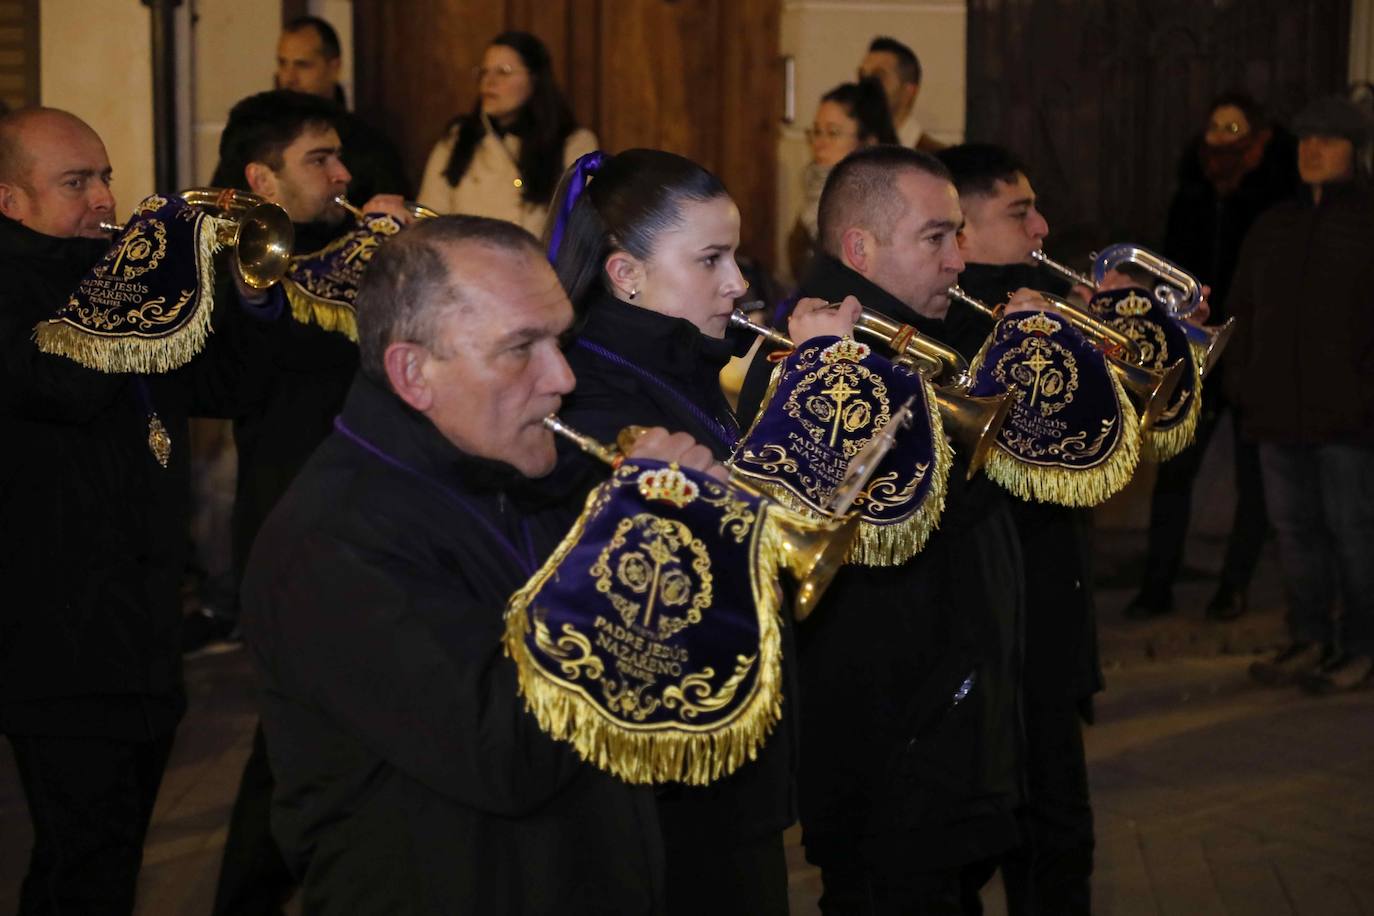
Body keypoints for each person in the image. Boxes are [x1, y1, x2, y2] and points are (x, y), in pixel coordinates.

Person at [241, 214, 714, 912]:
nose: (562, 377)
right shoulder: (328, 541)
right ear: (413, 373)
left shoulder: (518, 470)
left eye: (561, 340)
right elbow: (508, 754)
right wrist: (638, 537)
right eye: (522, 347)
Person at [545, 147, 858, 915]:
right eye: (711, 259)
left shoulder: (685, 363)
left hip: (729, 766)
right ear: (627, 276)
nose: (738, 283)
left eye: (736, 256)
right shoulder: (596, 393)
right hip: (670, 785)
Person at [0, 106, 276, 913]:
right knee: (80, 856)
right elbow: (65, 385)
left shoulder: (113, 276)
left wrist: (245, 294)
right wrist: (151, 268)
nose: (103, 198)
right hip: (56, 637)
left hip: (143, 623)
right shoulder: (17, 289)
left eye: (106, 177)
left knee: (116, 852)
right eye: (75, 182)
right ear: (10, 200)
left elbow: (229, 389)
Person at [736, 145, 1025, 914]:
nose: (959, 259)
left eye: (960, 234)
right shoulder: (812, 353)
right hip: (889, 738)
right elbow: (928, 513)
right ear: (860, 250)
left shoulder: (924, 334)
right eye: (937, 237)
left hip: (938, 725)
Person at [208, 88, 416, 916]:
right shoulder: (240, 257)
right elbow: (258, 359)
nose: (342, 173)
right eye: (318, 161)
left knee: (342, 731)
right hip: (293, 524)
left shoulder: (347, 243)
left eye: (339, 156)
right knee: (293, 742)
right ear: (263, 177)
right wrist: (378, 241)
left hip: (370, 515)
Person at [938, 141, 1101, 916]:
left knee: (1061, 839)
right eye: (1018, 211)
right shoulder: (954, 321)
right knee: (1006, 840)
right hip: (994, 625)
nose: (1042, 226)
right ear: (962, 233)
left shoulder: (1042, 299)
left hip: (1050, 610)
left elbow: (1102, 458)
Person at [1125, 93, 1297, 621]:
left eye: (1233, 127)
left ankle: (1234, 586)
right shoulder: (1193, 194)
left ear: (1258, 138)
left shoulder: (1276, 202)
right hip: (1194, 354)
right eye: (1214, 128)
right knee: (1175, 471)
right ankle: (1158, 583)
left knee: (1254, 478)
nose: (1221, 138)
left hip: (1254, 354)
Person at [1233, 95, 1374, 694]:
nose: (1313, 151)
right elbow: (1243, 308)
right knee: (1295, 534)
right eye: (1305, 139)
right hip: (1276, 411)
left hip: (1350, 415)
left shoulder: (1368, 221)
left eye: (1329, 140)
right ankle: (1309, 636)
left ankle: (1362, 647)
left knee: (1354, 534)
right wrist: (1240, 381)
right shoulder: (1273, 223)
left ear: (1354, 151)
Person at [418, 31, 597, 234]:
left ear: (534, 78)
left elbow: (582, 227)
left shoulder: (573, 142)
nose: (489, 82)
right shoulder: (458, 139)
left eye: (503, 72)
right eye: (484, 72)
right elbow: (429, 220)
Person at [273, 14, 412, 204]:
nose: (289, 77)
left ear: (334, 67)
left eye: (302, 65)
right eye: (282, 63)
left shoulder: (370, 147)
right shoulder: (255, 134)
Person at [788, 78, 897, 282]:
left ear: (867, 142)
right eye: (817, 132)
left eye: (833, 133)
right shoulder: (813, 191)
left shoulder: (879, 207)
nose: (819, 143)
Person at [858, 36, 944, 152]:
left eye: (878, 77)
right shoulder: (855, 151)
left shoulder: (937, 159)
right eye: (862, 76)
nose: (866, 86)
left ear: (909, 91)